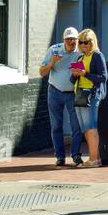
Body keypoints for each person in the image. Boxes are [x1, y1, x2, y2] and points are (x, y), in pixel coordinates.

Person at [39, 27, 84, 167]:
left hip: (72, 93)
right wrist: (52, 62)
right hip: (55, 91)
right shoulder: (54, 50)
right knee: (56, 125)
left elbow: (80, 73)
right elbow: (41, 72)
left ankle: (76, 155)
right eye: (69, 39)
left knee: (76, 125)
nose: (72, 42)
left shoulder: (79, 53)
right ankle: (60, 157)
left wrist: (78, 72)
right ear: (63, 40)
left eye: (74, 39)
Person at [71, 29, 107, 167]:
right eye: (81, 42)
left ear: (93, 42)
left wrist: (85, 73)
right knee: (85, 128)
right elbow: (73, 79)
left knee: (91, 127)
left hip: (92, 94)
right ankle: (95, 158)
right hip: (80, 94)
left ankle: (93, 160)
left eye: (87, 42)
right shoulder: (80, 57)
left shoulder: (97, 56)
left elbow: (103, 77)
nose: (84, 45)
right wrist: (74, 74)